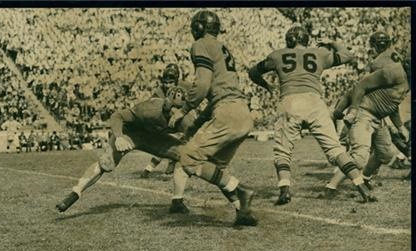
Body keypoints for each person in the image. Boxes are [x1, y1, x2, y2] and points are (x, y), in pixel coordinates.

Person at [247, 26, 375, 205]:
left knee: (283, 150)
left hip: (290, 101)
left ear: (289, 40)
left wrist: (267, 86)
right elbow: (347, 56)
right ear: (306, 40)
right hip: (315, 102)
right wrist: (332, 43)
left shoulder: (277, 55)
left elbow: (252, 72)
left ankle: (284, 190)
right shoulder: (319, 53)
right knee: (335, 149)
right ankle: (361, 186)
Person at [168, 11, 258, 226]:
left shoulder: (201, 44)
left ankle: (241, 190)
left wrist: (183, 110)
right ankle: (242, 212)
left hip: (226, 111)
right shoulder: (221, 47)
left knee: (188, 159)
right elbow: (216, 95)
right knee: (218, 168)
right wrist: (197, 123)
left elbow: (202, 85)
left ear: (198, 27)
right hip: (241, 112)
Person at [56, 86, 193, 214]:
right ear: (167, 105)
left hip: (155, 138)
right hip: (131, 133)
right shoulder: (149, 109)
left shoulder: (185, 119)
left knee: (186, 155)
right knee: (106, 163)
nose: (176, 113)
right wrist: (119, 137)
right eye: (174, 108)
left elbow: (195, 138)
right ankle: (76, 192)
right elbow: (117, 116)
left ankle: (177, 201)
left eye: (180, 108)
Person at [325, 38, 410, 195]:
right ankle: (331, 187)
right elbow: (359, 86)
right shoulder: (392, 72)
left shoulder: (403, 78)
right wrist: (353, 111)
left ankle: (364, 177)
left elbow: (391, 104)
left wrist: (400, 127)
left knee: (385, 153)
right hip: (365, 113)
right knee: (359, 156)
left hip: (378, 116)